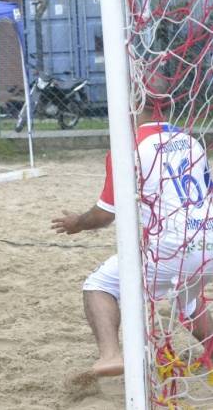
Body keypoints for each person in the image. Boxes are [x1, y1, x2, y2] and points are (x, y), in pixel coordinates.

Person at [51, 87, 213, 378]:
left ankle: (110, 356)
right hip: (208, 239)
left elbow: (105, 214)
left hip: (173, 246)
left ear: (134, 105)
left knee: (99, 285)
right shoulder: (190, 141)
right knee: (187, 295)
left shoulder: (130, 148)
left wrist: (77, 223)